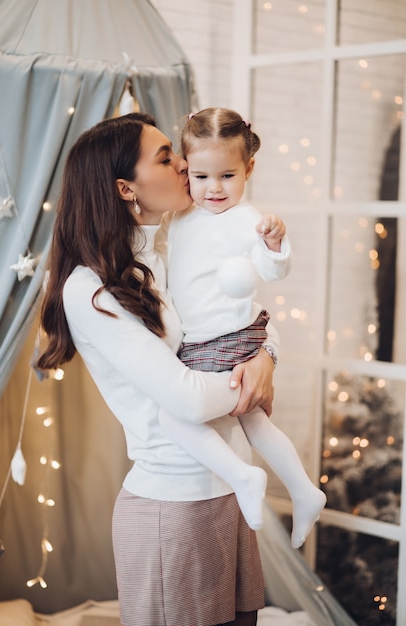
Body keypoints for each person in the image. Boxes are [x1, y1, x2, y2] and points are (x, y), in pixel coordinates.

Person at [36, 112, 279, 626]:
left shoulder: (169, 249)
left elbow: (245, 319)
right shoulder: (91, 290)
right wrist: (249, 380)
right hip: (175, 502)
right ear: (126, 187)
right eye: (167, 157)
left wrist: (265, 357)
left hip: (229, 489)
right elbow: (186, 398)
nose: (187, 164)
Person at [157, 107, 326, 547]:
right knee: (255, 424)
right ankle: (305, 491)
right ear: (185, 172)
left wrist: (273, 245)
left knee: (172, 417)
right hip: (215, 339)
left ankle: (242, 477)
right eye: (201, 177)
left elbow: (273, 272)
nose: (214, 188)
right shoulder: (179, 218)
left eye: (227, 176)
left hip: (221, 339)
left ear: (248, 169)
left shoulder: (245, 219)